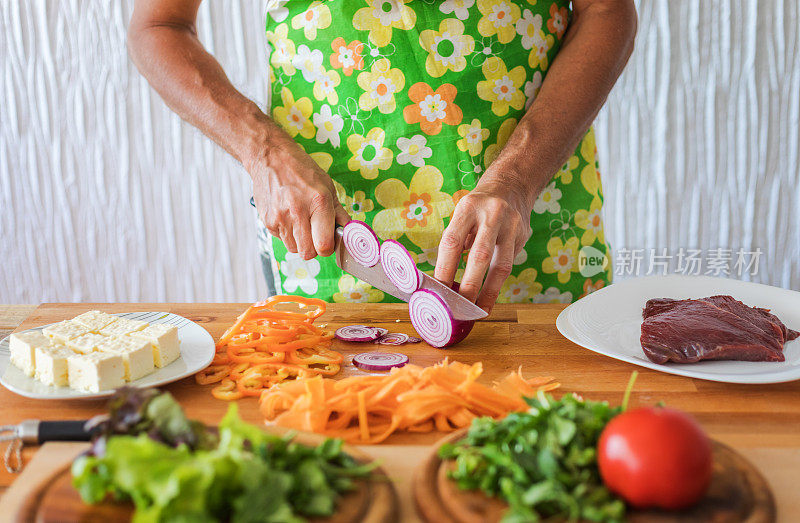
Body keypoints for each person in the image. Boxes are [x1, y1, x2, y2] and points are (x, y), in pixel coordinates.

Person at [129, 0, 636, 312]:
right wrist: (265, 154)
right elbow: (160, 25)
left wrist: (518, 181)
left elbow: (606, 9)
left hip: (534, 221)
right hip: (331, 242)